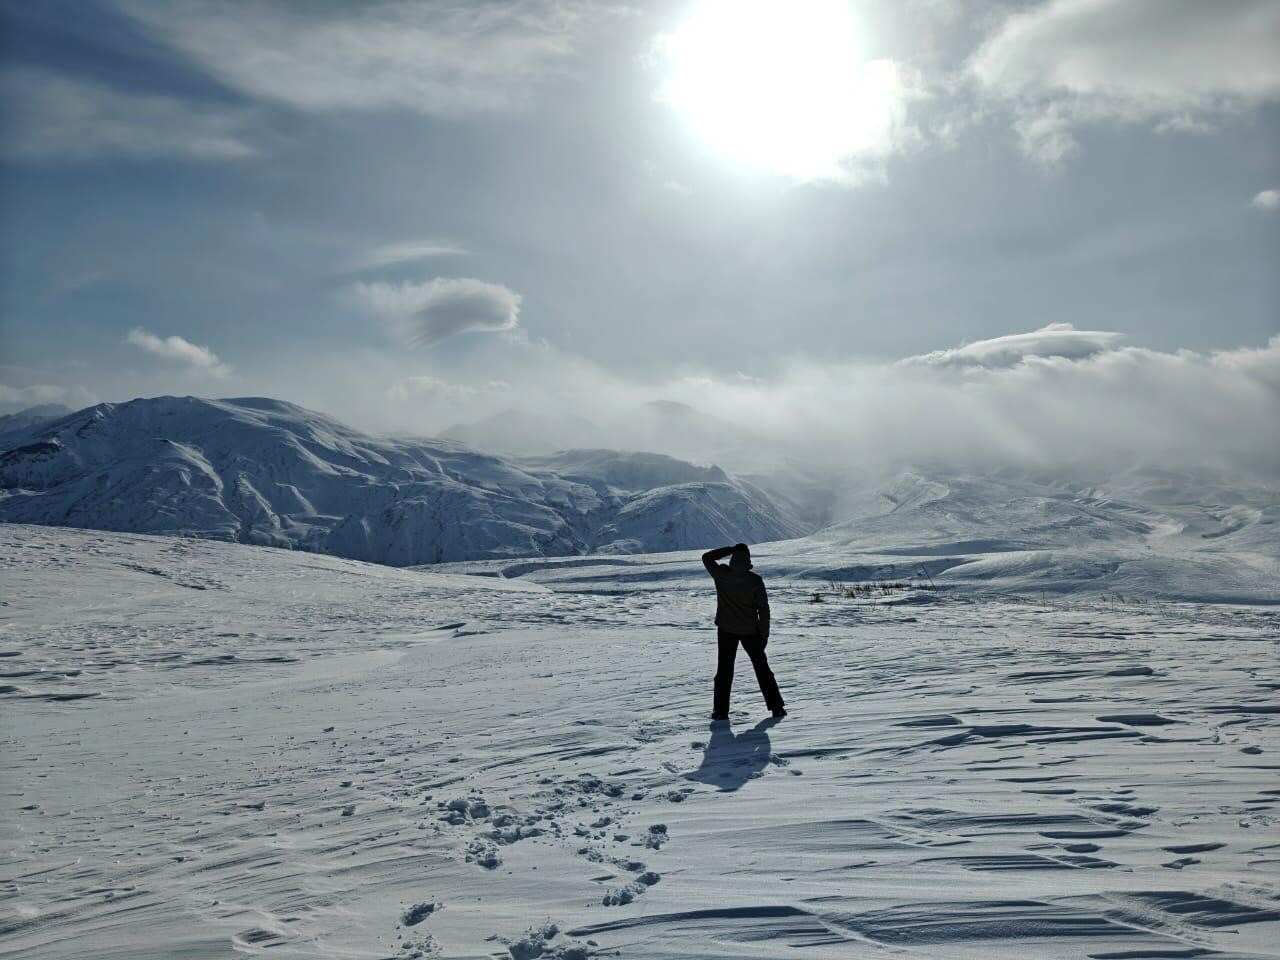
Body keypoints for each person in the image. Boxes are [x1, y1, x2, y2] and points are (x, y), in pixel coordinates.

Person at [701, 543, 786, 720]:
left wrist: (730, 549)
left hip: (726, 629)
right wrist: (764, 634)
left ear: (733, 558)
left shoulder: (721, 575)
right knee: (762, 669)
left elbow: (707, 557)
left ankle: (720, 712)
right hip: (750, 630)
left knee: (724, 671)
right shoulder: (755, 580)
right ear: (748, 559)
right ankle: (776, 707)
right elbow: (764, 610)